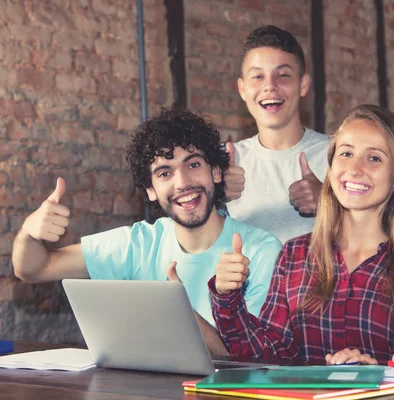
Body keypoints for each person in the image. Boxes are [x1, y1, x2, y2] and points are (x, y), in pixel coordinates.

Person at [12, 109, 282, 356]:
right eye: (165, 173)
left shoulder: (261, 249)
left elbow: (247, 357)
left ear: (215, 171)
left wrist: (179, 310)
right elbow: (34, 268)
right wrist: (29, 233)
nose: (183, 183)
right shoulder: (138, 244)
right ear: (151, 190)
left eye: (193, 165)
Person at [209, 104, 394, 364]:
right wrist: (227, 297)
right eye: (346, 153)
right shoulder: (294, 255)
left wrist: (383, 369)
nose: (354, 169)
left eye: (374, 158)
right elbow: (269, 355)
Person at [224, 25, 330, 243]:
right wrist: (211, 196)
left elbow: (383, 229)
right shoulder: (221, 164)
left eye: (283, 75)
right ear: (242, 89)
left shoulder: (339, 156)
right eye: (258, 77)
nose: (270, 86)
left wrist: (331, 203)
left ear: (303, 85)